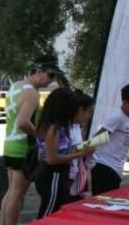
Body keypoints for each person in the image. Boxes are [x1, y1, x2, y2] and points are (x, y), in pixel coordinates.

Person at [0, 56, 61, 225]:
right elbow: (23, 121)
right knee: (18, 193)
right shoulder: (31, 93)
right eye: (50, 75)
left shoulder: (16, 86)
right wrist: (40, 138)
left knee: (11, 191)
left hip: (9, 145)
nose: (51, 80)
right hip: (22, 148)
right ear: (39, 71)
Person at [32, 88, 92, 218]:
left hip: (55, 174)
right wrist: (79, 154)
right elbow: (52, 159)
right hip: (53, 174)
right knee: (48, 214)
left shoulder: (52, 125)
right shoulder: (54, 128)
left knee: (53, 211)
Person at [88, 83, 129, 195]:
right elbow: (98, 138)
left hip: (116, 168)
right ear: (125, 101)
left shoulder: (128, 119)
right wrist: (80, 150)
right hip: (105, 166)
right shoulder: (117, 117)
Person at [67, 89, 95, 200]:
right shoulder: (64, 128)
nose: (89, 116)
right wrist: (82, 151)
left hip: (74, 175)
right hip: (64, 176)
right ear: (80, 110)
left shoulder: (78, 127)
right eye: (89, 111)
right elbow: (59, 154)